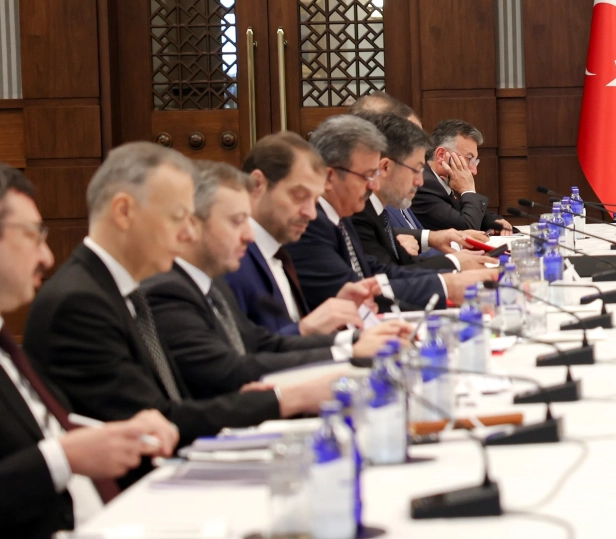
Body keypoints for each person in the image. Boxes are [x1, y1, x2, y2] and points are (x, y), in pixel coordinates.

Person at [25, 144, 335, 455]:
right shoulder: (81, 303)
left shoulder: (116, 289)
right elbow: (154, 423)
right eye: (178, 217)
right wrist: (283, 399)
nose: (188, 234)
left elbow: (174, 404)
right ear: (124, 212)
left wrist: (253, 399)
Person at [0, 165, 178, 539]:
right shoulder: (75, 299)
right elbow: (51, 454)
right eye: (33, 235)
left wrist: (113, 434)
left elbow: (44, 428)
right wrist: (64, 458)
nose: (47, 257)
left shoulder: (6, 342)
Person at [144, 162, 413, 398]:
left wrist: (354, 341)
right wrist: (347, 353)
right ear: (191, 224)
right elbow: (229, 369)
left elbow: (261, 343)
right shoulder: (170, 288)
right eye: (237, 221)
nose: (248, 235)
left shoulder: (211, 283)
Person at [287, 117, 496, 311]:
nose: (374, 185)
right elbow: (356, 295)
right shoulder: (313, 223)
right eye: (367, 175)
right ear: (330, 177)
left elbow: (377, 273)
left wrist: (449, 280)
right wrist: (448, 283)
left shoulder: (341, 216)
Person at [223, 133, 381, 337]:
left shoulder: (277, 253)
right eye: (299, 196)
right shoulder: (233, 258)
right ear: (257, 184)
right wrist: (305, 330)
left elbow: (286, 334)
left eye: (314, 201)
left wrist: (337, 318)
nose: (311, 213)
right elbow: (246, 349)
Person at [351, 114, 470, 272]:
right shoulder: (358, 211)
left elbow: (401, 265)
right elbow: (386, 276)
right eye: (416, 170)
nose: (420, 182)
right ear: (385, 167)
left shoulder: (377, 210)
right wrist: (455, 263)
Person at [414, 120, 512, 235]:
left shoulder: (442, 182)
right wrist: (468, 190)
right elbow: (467, 228)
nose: (474, 171)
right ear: (441, 155)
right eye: (469, 159)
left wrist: (493, 221)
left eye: (475, 161)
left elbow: (460, 211)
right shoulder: (423, 185)